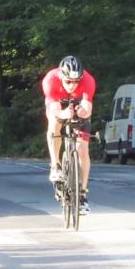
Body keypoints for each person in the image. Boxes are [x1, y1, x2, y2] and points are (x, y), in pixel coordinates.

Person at [42, 55, 95, 214]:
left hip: (78, 105)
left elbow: (87, 107)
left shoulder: (88, 80)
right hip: (58, 105)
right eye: (68, 82)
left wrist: (82, 112)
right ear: (61, 77)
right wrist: (65, 114)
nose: (72, 85)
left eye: (76, 81)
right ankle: (55, 165)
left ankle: (82, 196)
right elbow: (54, 109)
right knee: (54, 123)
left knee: (82, 149)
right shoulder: (50, 80)